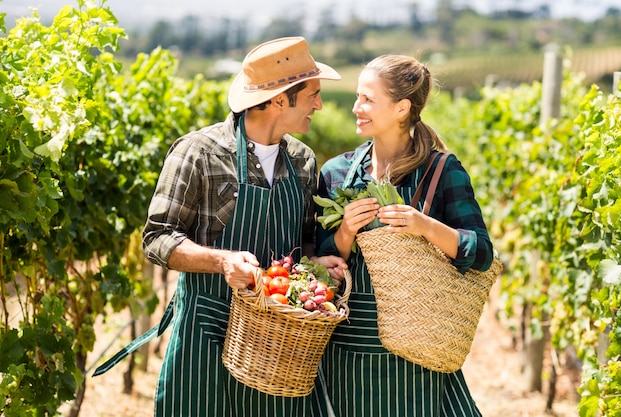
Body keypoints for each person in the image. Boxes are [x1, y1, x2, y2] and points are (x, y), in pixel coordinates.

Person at [93, 36, 346, 417]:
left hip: (277, 348)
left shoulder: (303, 162)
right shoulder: (200, 152)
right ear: (280, 99)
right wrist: (222, 261)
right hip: (205, 335)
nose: (320, 105)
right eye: (312, 94)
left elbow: (305, 243)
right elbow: (157, 237)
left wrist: (317, 266)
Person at [313, 54, 494, 417]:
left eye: (367, 99)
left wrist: (425, 226)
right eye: (357, 97)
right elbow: (321, 258)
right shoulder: (337, 172)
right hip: (346, 350)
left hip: (415, 350)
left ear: (401, 108)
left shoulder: (442, 171)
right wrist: (346, 230)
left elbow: (481, 251)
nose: (355, 107)